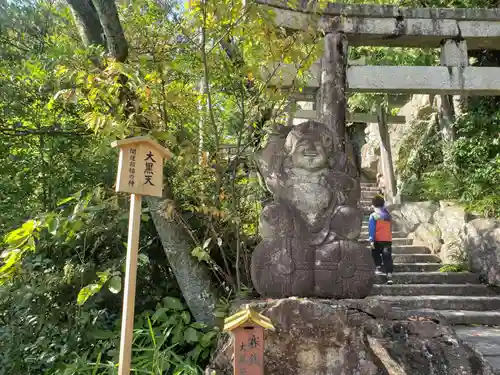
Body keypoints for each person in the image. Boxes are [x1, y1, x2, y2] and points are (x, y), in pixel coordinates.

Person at [368, 195, 394, 284]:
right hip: (387, 239)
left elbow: (372, 229)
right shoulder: (388, 216)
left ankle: (378, 267)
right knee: (387, 257)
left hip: (377, 239)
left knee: (375, 253)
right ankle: (389, 275)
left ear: (373, 205)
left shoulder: (373, 216)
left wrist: (371, 239)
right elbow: (390, 228)